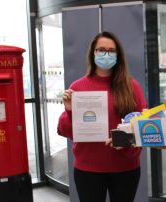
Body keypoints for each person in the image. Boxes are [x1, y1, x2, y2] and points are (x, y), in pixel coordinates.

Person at [57, 31, 147, 202]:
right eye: (101, 49)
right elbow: (66, 132)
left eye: (112, 51)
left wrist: (126, 143)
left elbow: (143, 127)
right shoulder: (78, 87)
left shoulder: (131, 86)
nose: (106, 54)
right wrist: (70, 111)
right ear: (93, 53)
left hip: (125, 168)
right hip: (88, 170)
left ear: (118, 55)